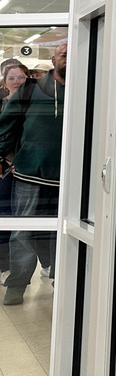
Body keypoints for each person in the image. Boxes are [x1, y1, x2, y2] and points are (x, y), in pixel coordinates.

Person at [0, 42, 67, 305]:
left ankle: (63, 279)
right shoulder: (29, 90)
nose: (67, 59)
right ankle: (16, 284)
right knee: (23, 232)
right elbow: (7, 125)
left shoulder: (86, 90)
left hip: (69, 177)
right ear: (53, 59)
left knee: (65, 232)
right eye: (63, 54)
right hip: (29, 173)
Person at [0, 62, 29, 283]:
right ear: (4, 82)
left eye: (21, 77)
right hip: (4, 169)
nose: (17, 82)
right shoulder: (2, 105)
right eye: (12, 78)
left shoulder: (35, 105)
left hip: (23, 170)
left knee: (19, 220)